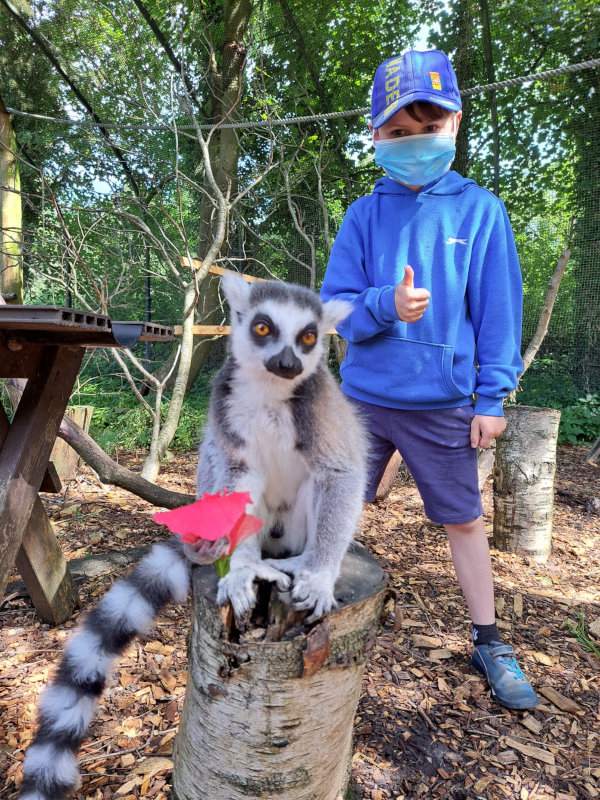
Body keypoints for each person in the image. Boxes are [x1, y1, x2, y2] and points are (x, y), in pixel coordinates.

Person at [320, 49, 537, 710]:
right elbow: (338, 310)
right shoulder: (363, 216)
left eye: (428, 128)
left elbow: (499, 313)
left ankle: (488, 638)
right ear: (376, 137)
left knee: (464, 521)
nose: (414, 144)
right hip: (361, 400)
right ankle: (308, 606)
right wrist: (387, 303)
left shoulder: (481, 212)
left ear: (456, 124)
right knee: (334, 505)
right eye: (399, 133)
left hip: (443, 404)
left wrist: (492, 396)